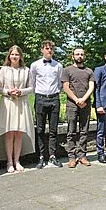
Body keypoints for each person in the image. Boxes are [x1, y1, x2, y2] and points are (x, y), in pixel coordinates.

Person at [0, 45, 35, 173]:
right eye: (12, 54)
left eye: (17, 54)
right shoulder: (4, 70)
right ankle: (9, 162)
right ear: (9, 56)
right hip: (8, 103)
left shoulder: (26, 70)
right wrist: (8, 91)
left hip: (22, 104)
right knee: (9, 132)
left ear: (20, 56)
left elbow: (32, 87)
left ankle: (17, 160)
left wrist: (21, 91)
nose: (14, 57)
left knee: (19, 133)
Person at [30, 40, 64, 169]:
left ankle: (52, 156)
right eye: (46, 48)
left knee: (53, 129)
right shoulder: (35, 65)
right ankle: (41, 157)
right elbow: (32, 82)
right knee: (40, 129)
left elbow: (60, 83)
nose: (49, 50)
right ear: (42, 50)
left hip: (54, 99)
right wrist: (40, 94)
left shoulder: (58, 66)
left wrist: (54, 93)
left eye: (51, 49)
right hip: (40, 98)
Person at [63, 47, 95, 168]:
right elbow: (66, 87)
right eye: (77, 54)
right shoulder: (67, 70)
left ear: (84, 56)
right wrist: (76, 100)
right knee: (71, 131)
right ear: (73, 56)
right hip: (72, 104)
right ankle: (71, 157)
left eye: (81, 54)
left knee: (84, 130)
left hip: (85, 104)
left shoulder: (89, 71)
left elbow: (91, 87)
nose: (79, 56)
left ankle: (82, 156)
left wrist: (83, 99)